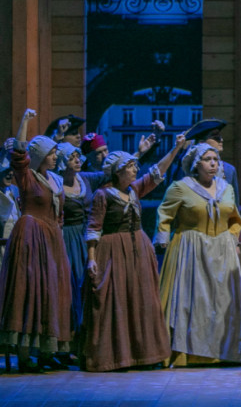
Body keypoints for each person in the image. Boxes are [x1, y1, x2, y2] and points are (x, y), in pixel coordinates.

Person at [83, 133, 188, 372]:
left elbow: (156, 173)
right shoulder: (103, 195)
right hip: (112, 251)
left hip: (137, 249)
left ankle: (144, 354)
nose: (135, 170)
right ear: (118, 172)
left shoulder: (133, 190)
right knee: (116, 301)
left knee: (140, 299)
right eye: (130, 167)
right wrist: (91, 259)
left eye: (134, 166)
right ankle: (116, 357)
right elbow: (93, 228)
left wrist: (175, 149)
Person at [155, 142, 241, 366]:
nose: (213, 164)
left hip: (222, 251)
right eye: (207, 160)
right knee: (193, 302)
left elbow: (234, 218)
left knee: (221, 302)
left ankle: (224, 352)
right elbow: (164, 213)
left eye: (215, 160)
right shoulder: (181, 187)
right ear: (196, 164)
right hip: (191, 248)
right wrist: (163, 237)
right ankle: (187, 353)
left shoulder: (226, 188)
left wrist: (232, 237)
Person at [0, 109, 71, 372]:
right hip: (31, 235)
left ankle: (46, 351)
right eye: (51, 153)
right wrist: (25, 121)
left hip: (52, 238)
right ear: (40, 156)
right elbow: (19, 154)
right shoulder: (28, 176)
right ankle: (24, 353)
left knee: (50, 291)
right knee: (29, 290)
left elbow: (59, 213)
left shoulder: (55, 180)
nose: (55, 156)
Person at [56, 142, 98, 338]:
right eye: (72, 158)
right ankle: (69, 335)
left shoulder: (85, 179)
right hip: (66, 237)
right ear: (63, 162)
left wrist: (140, 152)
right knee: (70, 285)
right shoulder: (56, 183)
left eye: (78, 157)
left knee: (87, 284)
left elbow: (110, 174)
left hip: (84, 236)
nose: (77, 161)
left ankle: (85, 334)